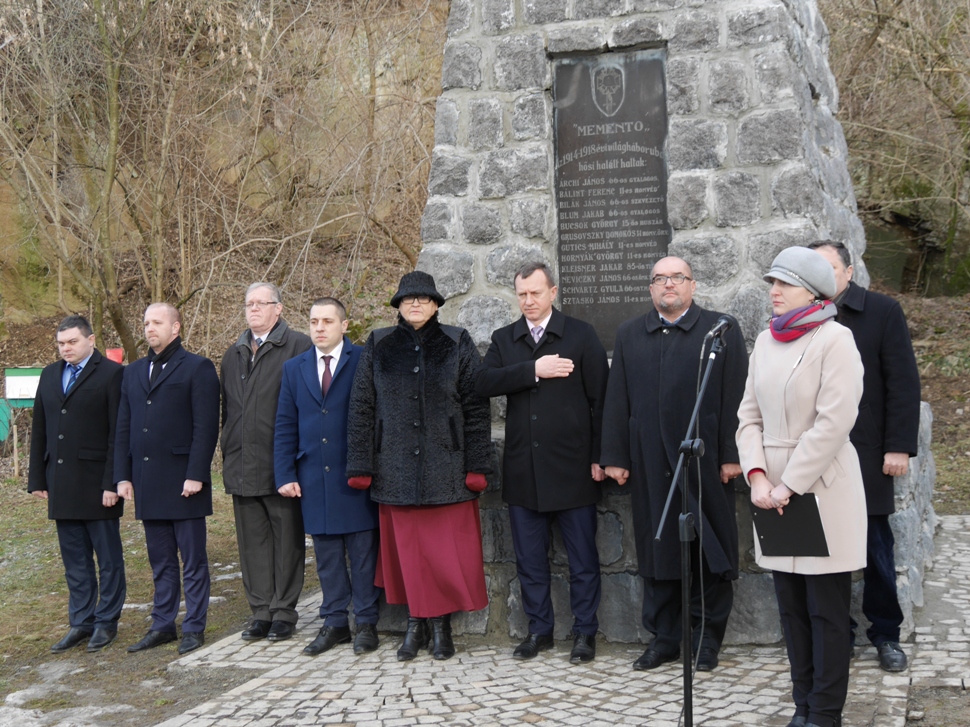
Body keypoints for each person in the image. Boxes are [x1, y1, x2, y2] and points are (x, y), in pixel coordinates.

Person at [737, 246, 866, 727]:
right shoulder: (765, 341)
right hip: (769, 492)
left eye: (783, 284)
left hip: (822, 490)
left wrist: (788, 484)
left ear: (812, 292)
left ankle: (825, 713)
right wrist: (756, 477)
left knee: (826, 612)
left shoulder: (837, 341)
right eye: (771, 283)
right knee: (791, 610)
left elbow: (835, 423)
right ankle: (803, 705)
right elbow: (747, 416)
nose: (773, 292)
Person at [600, 256, 747, 672]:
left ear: (692, 285)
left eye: (677, 277)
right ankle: (664, 639)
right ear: (650, 289)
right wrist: (614, 456)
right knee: (658, 550)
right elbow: (618, 398)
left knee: (708, 551)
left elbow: (737, 396)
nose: (668, 284)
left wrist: (734, 455)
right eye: (660, 279)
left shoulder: (720, 331)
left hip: (706, 463)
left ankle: (706, 641)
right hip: (649, 463)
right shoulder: (630, 334)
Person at [347, 271, 491, 661]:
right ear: (397, 305)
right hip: (393, 468)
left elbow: (477, 406)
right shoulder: (378, 344)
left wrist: (477, 464)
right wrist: (360, 463)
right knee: (408, 555)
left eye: (424, 299)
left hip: (447, 467)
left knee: (444, 555)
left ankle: (442, 628)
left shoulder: (456, 342)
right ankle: (414, 625)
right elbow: (361, 406)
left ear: (436, 305)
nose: (415, 304)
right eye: (408, 299)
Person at [475, 262, 609, 664]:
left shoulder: (580, 335)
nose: (528, 301)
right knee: (530, 561)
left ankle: (585, 633)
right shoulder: (505, 339)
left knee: (583, 560)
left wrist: (601, 457)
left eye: (536, 293)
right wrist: (533, 369)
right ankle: (540, 631)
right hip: (524, 469)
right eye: (522, 295)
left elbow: (601, 402)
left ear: (553, 292)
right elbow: (482, 383)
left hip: (572, 469)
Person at [810, 240, 921, 672]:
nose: (820, 276)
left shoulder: (881, 311)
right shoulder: (801, 318)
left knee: (876, 549)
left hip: (868, 453)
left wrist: (898, 445)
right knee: (823, 552)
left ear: (848, 271)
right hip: (816, 457)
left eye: (828, 267)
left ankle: (886, 633)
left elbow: (903, 383)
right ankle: (837, 633)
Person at [275, 297, 381, 656]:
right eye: (313, 321)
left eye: (327, 321)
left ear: (344, 325)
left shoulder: (365, 359)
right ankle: (335, 621)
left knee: (363, 551)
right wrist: (285, 472)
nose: (319, 328)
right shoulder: (295, 368)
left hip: (355, 474)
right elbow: (285, 424)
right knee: (327, 554)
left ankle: (366, 621)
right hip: (313, 476)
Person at [115, 303, 221, 655]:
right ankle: (163, 625)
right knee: (160, 562)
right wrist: (123, 476)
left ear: (175, 327)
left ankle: (193, 626)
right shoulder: (132, 372)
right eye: (145, 322)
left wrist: (196, 475)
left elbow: (206, 428)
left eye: (157, 322)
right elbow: (124, 428)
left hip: (183, 481)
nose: (149, 328)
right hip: (147, 481)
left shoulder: (197, 367)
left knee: (192, 561)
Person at [28, 315, 127, 654]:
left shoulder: (112, 374)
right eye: (61, 343)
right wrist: (37, 478)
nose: (66, 348)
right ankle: (81, 621)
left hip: (98, 484)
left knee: (108, 558)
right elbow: (39, 428)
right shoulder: (50, 374)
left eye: (72, 342)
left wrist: (113, 482)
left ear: (91, 340)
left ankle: (106, 621)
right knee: (75, 560)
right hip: (61, 482)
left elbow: (118, 433)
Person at [221, 283, 311, 643]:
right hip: (241, 462)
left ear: (279, 308)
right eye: (249, 304)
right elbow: (229, 411)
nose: (254, 309)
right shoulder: (233, 354)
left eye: (262, 303)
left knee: (286, 540)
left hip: (281, 464)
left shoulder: (298, 346)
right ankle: (260, 611)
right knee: (252, 543)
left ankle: (284, 612)